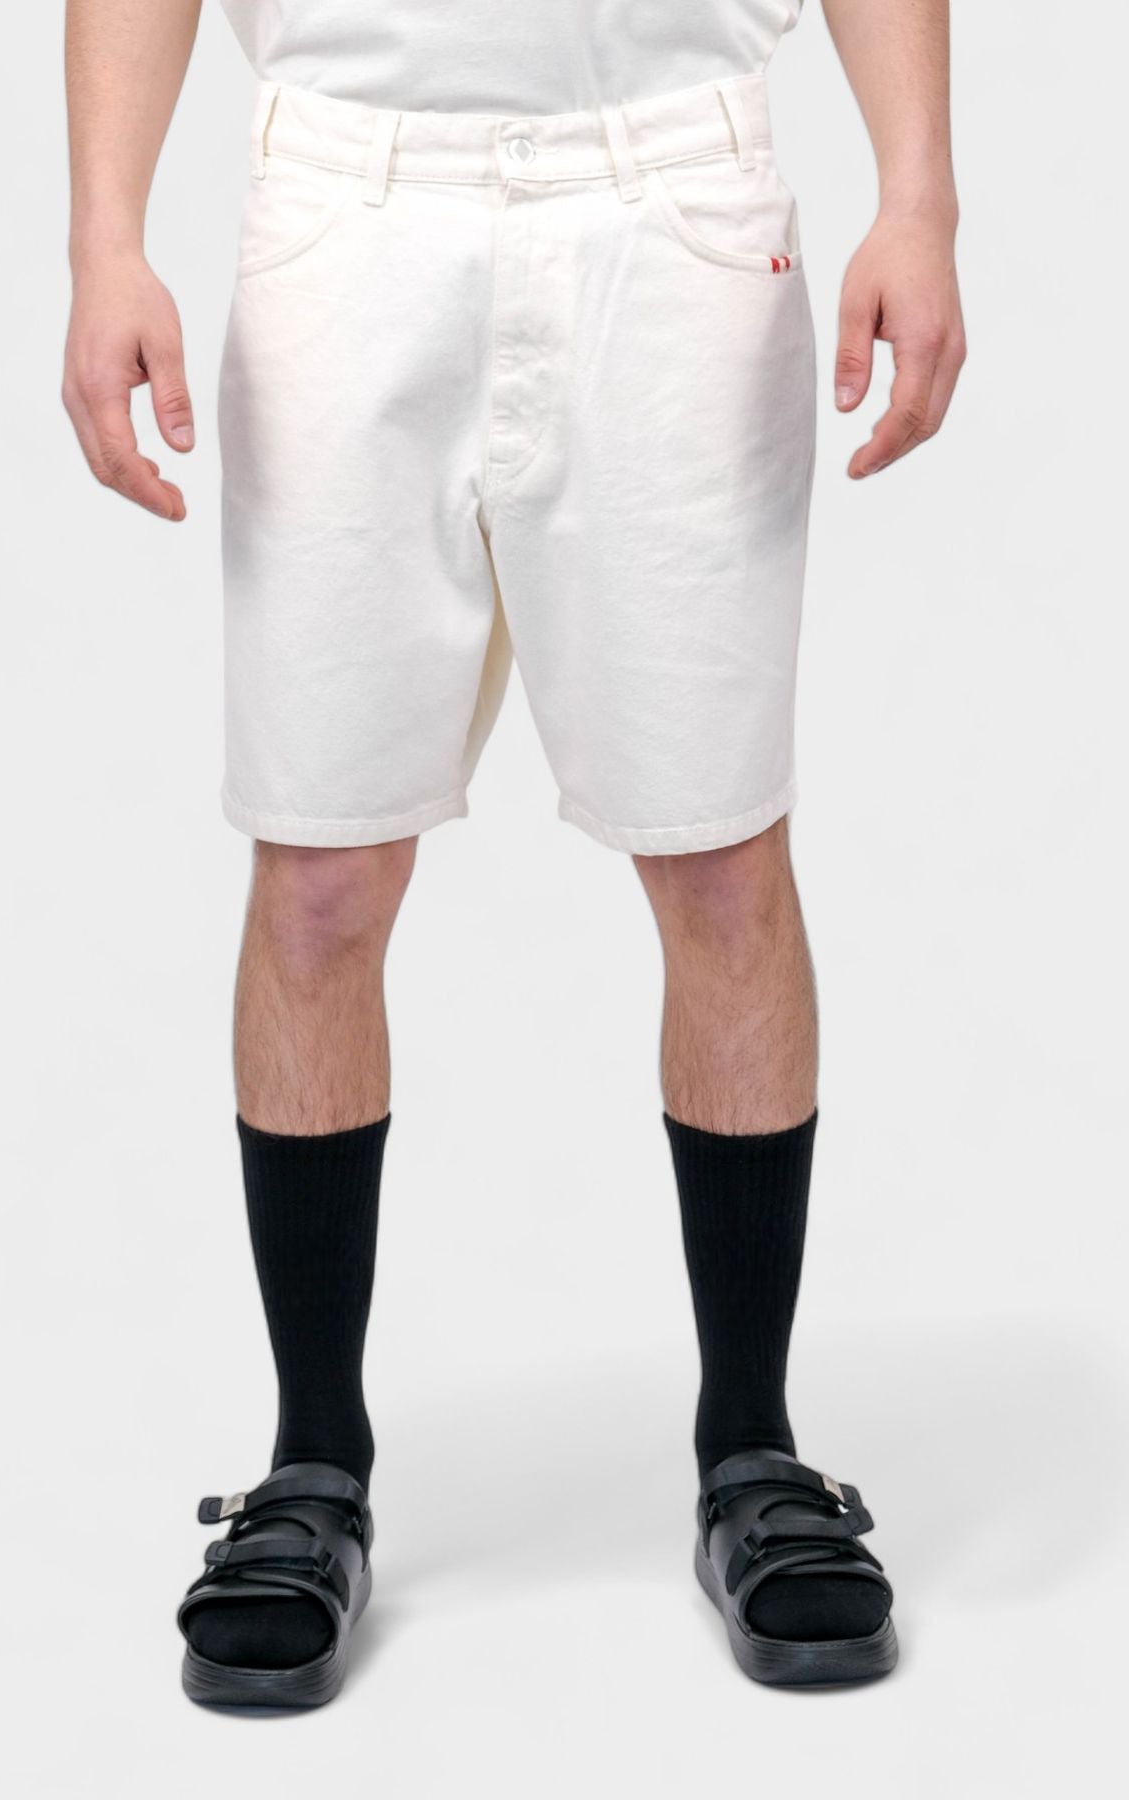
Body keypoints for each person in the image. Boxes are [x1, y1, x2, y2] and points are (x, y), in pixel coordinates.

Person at [63, 0, 964, 1705]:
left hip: (675, 196)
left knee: (721, 858)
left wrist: (919, 194)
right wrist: (105, 234)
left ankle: (752, 1447)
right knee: (319, 877)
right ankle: (312, 1462)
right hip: (348, 199)